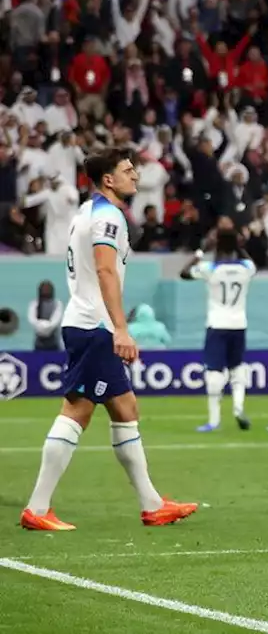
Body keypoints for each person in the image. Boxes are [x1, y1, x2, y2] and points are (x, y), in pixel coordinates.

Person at [20, 147, 197, 531]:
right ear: (108, 180)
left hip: (86, 323)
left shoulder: (86, 211)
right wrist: (120, 327)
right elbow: (105, 271)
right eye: (128, 170)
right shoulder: (107, 217)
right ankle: (37, 507)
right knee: (77, 411)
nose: (136, 175)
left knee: (125, 407)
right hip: (94, 326)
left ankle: (152, 503)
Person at [180, 229, 256, 432]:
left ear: (217, 246)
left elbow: (184, 273)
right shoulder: (246, 268)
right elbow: (251, 262)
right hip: (239, 324)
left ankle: (214, 421)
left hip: (217, 324)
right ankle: (238, 408)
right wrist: (239, 247)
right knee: (237, 368)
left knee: (214, 373)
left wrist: (201, 251)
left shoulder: (210, 268)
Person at [28, 280, 63, 350]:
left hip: (54, 340)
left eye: (48, 289)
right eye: (44, 289)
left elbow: (56, 319)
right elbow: (32, 319)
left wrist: (47, 326)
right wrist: (40, 325)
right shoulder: (35, 304)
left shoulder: (57, 304)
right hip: (39, 341)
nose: (46, 291)